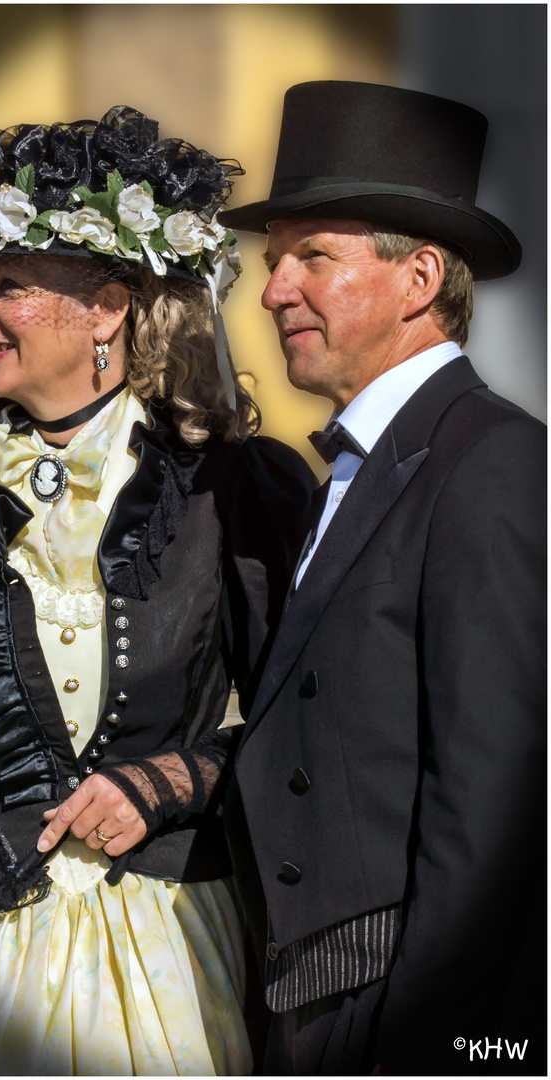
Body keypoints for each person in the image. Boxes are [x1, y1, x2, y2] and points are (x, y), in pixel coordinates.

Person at [0, 106, 315, 1076]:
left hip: (173, 936)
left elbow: (306, 719)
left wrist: (173, 782)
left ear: (106, 307)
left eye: (5, 287)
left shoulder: (243, 489)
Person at [220, 81, 546, 1075]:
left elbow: (495, 811)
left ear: (419, 280)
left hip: (397, 1015)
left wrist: (423, 1041)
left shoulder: (490, 461)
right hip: (312, 1008)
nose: (274, 290)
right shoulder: (360, 467)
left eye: (314, 258)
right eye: (275, 264)